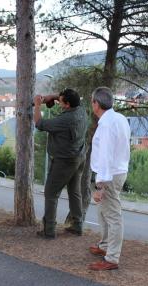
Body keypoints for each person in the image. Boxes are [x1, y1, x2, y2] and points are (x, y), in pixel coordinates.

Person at [33, 88, 88, 239]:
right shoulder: (81, 109)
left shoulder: (66, 120)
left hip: (64, 161)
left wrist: (38, 104)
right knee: (74, 192)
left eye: (61, 101)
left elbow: (39, 123)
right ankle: (77, 225)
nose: (59, 102)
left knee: (51, 193)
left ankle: (49, 230)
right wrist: (53, 97)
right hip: (79, 156)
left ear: (68, 104)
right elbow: (66, 98)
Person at [87, 87, 131, 271]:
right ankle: (105, 245)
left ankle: (112, 258)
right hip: (118, 171)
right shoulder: (119, 118)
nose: (92, 105)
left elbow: (105, 156)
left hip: (109, 174)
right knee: (103, 211)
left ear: (96, 104)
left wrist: (100, 186)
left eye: (92, 102)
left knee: (112, 215)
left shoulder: (106, 125)